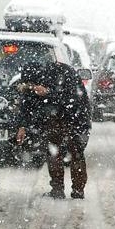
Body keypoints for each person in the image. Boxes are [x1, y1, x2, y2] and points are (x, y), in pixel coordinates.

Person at [15, 62, 91, 199]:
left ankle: (78, 190)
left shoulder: (65, 74)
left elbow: (73, 99)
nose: (32, 88)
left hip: (75, 118)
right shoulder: (36, 81)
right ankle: (57, 189)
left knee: (75, 153)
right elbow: (27, 103)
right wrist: (23, 126)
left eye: (32, 84)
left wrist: (49, 93)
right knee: (54, 152)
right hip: (54, 120)